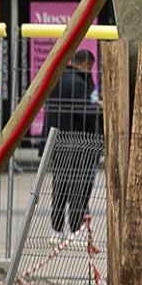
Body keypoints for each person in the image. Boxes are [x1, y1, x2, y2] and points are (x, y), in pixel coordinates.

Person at [40, 50, 103, 234]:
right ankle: (76, 230)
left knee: (59, 187)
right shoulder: (77, 83)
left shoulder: (58, 78)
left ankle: (56, 229)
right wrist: (101, 109)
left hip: (58, 144)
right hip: (77, 146)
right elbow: (85, 113)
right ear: (86, 64)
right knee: (79, 189)